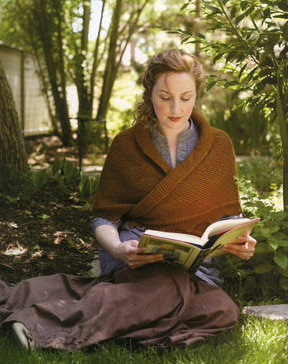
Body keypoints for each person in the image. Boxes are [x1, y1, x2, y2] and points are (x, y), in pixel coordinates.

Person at [0, 49, 256, 351]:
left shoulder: (219, 145)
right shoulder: (125, 145)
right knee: (169, 285)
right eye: (165, 97)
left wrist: (239, 240)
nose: (176, 108)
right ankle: (40, 328)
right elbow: (104, 217)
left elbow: (228, 216)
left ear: (197, 94)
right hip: (137, 257)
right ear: (150, 95)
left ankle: (132, 326)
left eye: (186, 98)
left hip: (197, 269)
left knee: (223, 310)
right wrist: (119, 249)